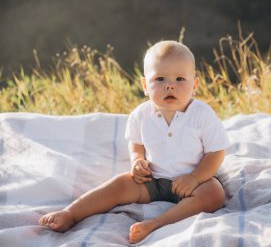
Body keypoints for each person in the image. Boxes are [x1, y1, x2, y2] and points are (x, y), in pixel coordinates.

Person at [39, 40, 231, 244]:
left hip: (194, 182)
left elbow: (216, 152)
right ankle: (71, 214)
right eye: (159, 78)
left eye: (180, 79)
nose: (170, 85)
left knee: (214, 194)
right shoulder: (141, 114)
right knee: (119, 184)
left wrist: (194, 177)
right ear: (145, 85)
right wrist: (137, 159)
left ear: (195, 85)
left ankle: (156, 223)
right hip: (152, 180)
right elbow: (136, 143)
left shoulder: (201, 114)